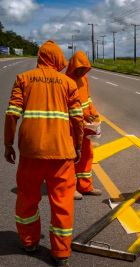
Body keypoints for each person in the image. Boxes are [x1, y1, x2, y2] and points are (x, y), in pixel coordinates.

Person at [3, 40, 83, 267]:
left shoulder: (23, 79)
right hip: (61, 154)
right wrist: (77, 146)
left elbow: (11, 115)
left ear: (40, 57)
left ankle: (29, 242)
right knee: (63, 204)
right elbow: (78, 119)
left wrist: (8, 144)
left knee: (27, 199)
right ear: (58, 59)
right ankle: (60, 253)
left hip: (31, 152)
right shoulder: (68, 82)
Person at [66, 50, 102, 200]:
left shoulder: (84, 79)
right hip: (70, 126)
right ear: (73, 67)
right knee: (71, 156)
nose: (82, 72)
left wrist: (93, 115)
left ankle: (85, 186)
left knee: (87, 154)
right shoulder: (65, 81)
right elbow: (67, 106)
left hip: (85, 125)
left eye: (84, 69)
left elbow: (87, 100)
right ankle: (70, 188)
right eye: (79, 69)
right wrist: (83, 116)